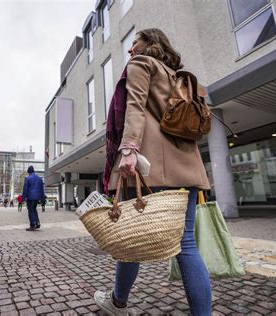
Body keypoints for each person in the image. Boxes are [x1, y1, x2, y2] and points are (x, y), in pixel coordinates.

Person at [95, 28, 211, 315]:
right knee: (186, 244)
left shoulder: (141, 64)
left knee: (130, 240)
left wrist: (128, 148)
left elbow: (134, 106)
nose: (131, 49)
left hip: (149, 168)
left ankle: (118, 303)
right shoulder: (180, 77)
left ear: (151, 43)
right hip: (187, 168)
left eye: (135, 43)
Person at [22, 165, 45, 231]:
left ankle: (32, 225)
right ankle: (37, 222)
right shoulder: (39, 178)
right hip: (37, 197)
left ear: (29, 172)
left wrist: (23, 198)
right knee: (34, 210)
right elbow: (42, 189)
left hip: (30, 197)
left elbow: (25, 189)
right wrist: (42, 198)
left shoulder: (27, 178)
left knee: (30, 211)